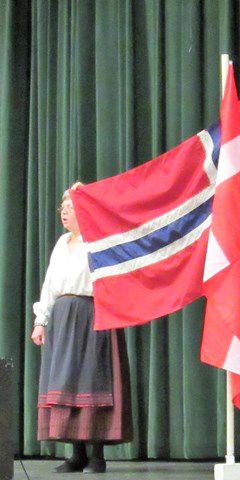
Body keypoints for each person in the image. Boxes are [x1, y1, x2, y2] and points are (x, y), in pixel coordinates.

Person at [31, 183, 133, 474]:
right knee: (66, 382)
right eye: (62, 208)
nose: (64, 213)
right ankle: (76, 454)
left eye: (71, 207)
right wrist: (41, 321)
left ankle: (97, 455)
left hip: (93, 314)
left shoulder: (98, 238)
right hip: (63, 318)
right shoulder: (62, 243)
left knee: (92, 379)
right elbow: (50, 284)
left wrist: (90, 194)